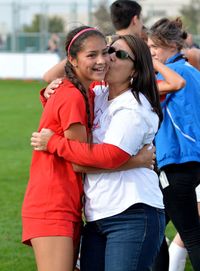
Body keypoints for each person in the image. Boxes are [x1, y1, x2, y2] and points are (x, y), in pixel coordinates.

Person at [31, 34, 165, 271]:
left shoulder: (133, 107)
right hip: (97, 216)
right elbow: (59, 82)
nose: (108, 58)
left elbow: (104, 158)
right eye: (108, 50)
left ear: (135, 70)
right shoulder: (100, 94)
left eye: (119, 54)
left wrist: (54, 143)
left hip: (132, 212)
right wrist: (52, 89)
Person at [21, 25, 112, 271]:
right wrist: (136, 161)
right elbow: (80, 160)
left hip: (68, 203)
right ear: (71, 59)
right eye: (91, 55)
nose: (102, 61)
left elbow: (50, 76)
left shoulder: (86, 90)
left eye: (105, 52)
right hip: (53, 205)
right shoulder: (72, 95)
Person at [148, 17, 200, 271]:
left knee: (191, 234)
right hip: (189, 159)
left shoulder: (170, 75)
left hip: (177, 160)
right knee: (154, 228)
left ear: (169, 45)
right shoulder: (191, 70)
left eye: (153, 47)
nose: (150, 53)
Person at [42, 0, 143, 83]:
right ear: (135, 20)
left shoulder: (105, 42)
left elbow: (49, 77)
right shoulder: (140, 49)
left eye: (121, 55)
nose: (104, 60)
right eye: (108, 51)